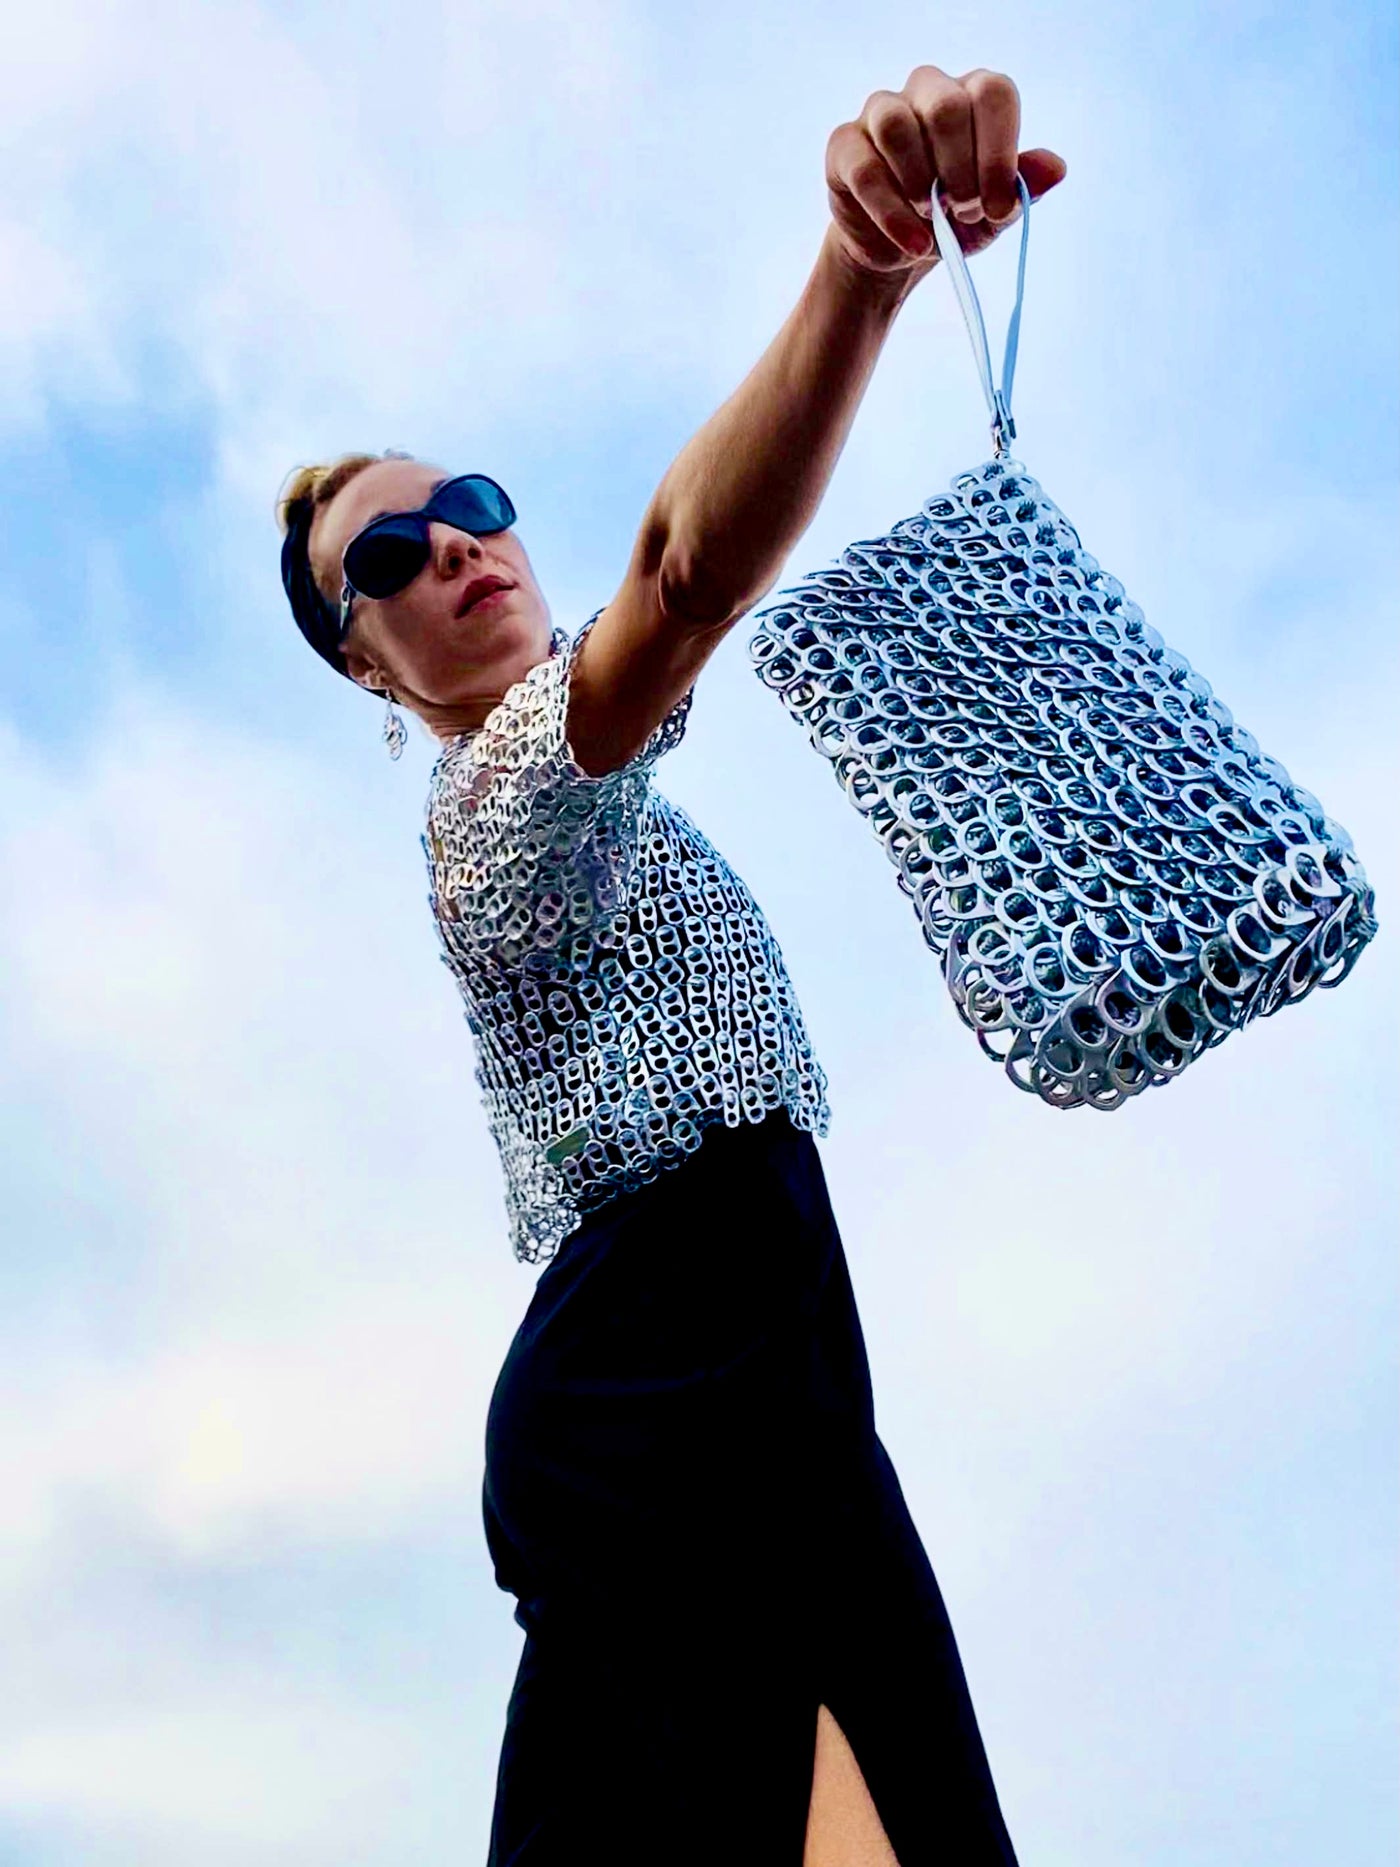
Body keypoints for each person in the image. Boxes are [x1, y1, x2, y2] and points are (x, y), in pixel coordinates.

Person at [277, 61, 1066, 1867]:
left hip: (776, 1365)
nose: (452, 543)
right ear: (365, 663)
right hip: (665, 1381)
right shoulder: (493, 815)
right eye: (386, 555)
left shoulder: (599, 804)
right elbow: (685, 571)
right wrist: (860, 277)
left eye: (464, 500)